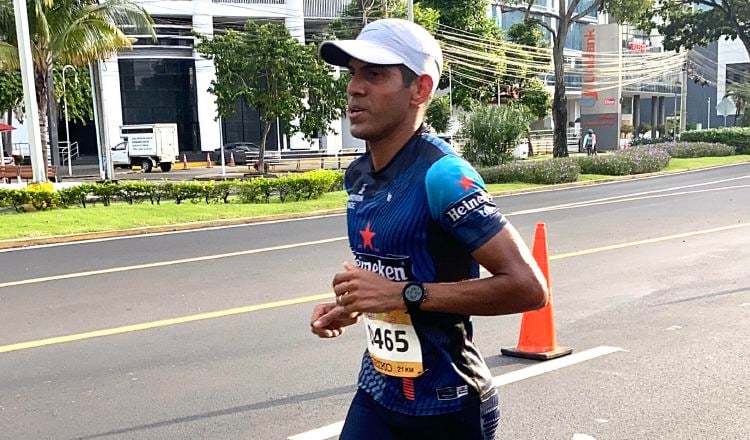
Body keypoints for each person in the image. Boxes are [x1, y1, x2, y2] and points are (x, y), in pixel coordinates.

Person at [310, 18, 549, 440]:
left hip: (448, 405)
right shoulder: (358, 175)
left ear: (419, 89)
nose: (354, 88)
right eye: (353, 74)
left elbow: (529, 288)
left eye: (375, 74)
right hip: (378, 394)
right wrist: (349, 307)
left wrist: (403, 294)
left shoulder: (443, 176)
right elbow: (391, 280)